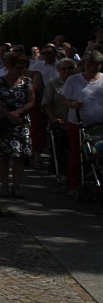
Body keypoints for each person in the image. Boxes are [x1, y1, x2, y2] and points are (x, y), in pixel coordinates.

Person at [0, 51, 35, 199]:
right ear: (9, 66)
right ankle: (4, 185)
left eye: (24, 67)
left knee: (20, 155)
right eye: (18, 67)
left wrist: (19, 112)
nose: (21, 70)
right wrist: (8, 114)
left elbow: (31, 101)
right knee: (4, 155)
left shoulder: (26, 82)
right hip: (4, 121)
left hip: (21, 122)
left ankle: (16, 186)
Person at [60, 49, 103, 198]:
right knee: (78, 154)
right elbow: (63, 99)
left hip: (100, 124)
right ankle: (74, 184)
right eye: (89, 65)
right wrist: (72, 105)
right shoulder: (74, 80)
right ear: (84, 64)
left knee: (99, 154)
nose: (93, 68)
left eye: (96, 65)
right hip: (79, 124)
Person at [44, 58, 76, 176]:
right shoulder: (53, 84)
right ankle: (64, 174)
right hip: (62, 121)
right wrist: (53, 117)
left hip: (79, 121)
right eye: (63, 69)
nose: (67, 71)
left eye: (70, 68)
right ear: (58, 71)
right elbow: (46, 103)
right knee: (62, 149)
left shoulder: (79, 81)